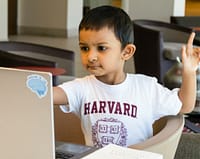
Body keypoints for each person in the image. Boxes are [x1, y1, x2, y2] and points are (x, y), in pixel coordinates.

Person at [53, 5, 200, 148]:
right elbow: (48, 95)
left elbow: (185, 105)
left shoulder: (146, 87)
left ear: (127, 52)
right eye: (85, 48)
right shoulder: (81, 88)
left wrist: (189, 72)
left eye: (101, 48)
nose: (90, 56)